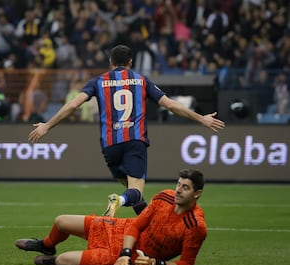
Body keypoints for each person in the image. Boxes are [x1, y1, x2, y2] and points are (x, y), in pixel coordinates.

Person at [28, 44, 225, 217]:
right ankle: (119, 201)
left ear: (110, 61)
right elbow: (171, 105)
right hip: (134, 141)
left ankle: (151, 224)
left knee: (133, 193)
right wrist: (201, 119)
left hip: (110, 145)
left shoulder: (98, 81)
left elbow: (73, 105)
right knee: (134, 192)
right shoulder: (141, 80)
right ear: (130, 62)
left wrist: (47, 125)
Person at [15, 169, 207, 265]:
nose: (179, 190)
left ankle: (54, 259)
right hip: (122, 232)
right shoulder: (165, 196)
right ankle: (47, 245)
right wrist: (125, 251)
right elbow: (137, 225)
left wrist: (157, 264)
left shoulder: (196, 226)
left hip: (131, 257)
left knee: (64, 260)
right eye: (178, 184)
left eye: (186, 187)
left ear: (197, 194)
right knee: (61, 221)